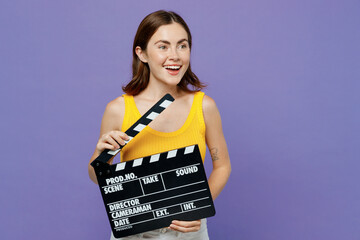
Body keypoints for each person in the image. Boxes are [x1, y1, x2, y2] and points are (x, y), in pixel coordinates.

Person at [88, 10, 231, 240]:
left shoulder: (204, 107)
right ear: (142, 53)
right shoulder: (118, 110)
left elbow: (222, 166)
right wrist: (100, 155)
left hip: (188, 232)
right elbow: (97, 178)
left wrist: (199, 206)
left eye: (182, 45)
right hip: (135, 233)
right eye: (163, 46)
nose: (174, 55)